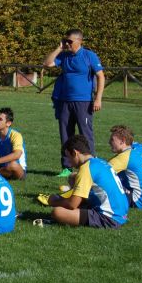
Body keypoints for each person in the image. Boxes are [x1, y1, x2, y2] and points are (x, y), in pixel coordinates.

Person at [43, 29, 105, 177]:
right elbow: (47, 63)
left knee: (85, 134)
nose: (67, 43)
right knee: (65, 134)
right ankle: (67, 167)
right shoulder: (63, 55)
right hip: (64, 101)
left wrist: (98, 98)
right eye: (66, 41)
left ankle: (90, 166)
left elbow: (101, 76)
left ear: (79, 41)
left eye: (70, 41)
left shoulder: (89, 55)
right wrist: (59, 47)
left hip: (83, 102)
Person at [39, 135, 128, 228]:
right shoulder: (99, 161)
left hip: (110, 218)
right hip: (121, 213)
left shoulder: (86, 169)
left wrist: (54, 201)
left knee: (57, 212)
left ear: (75, 153)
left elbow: (72, 204)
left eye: (69, 157)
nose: (69, 163)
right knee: (73, 178)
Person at [107, 125, 142, 209]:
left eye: (112, 140)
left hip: (138, 200)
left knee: (103, 184)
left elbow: (100, 173)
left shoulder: (123, 158)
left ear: (122, 141)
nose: (109, 142)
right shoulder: (141, 147)